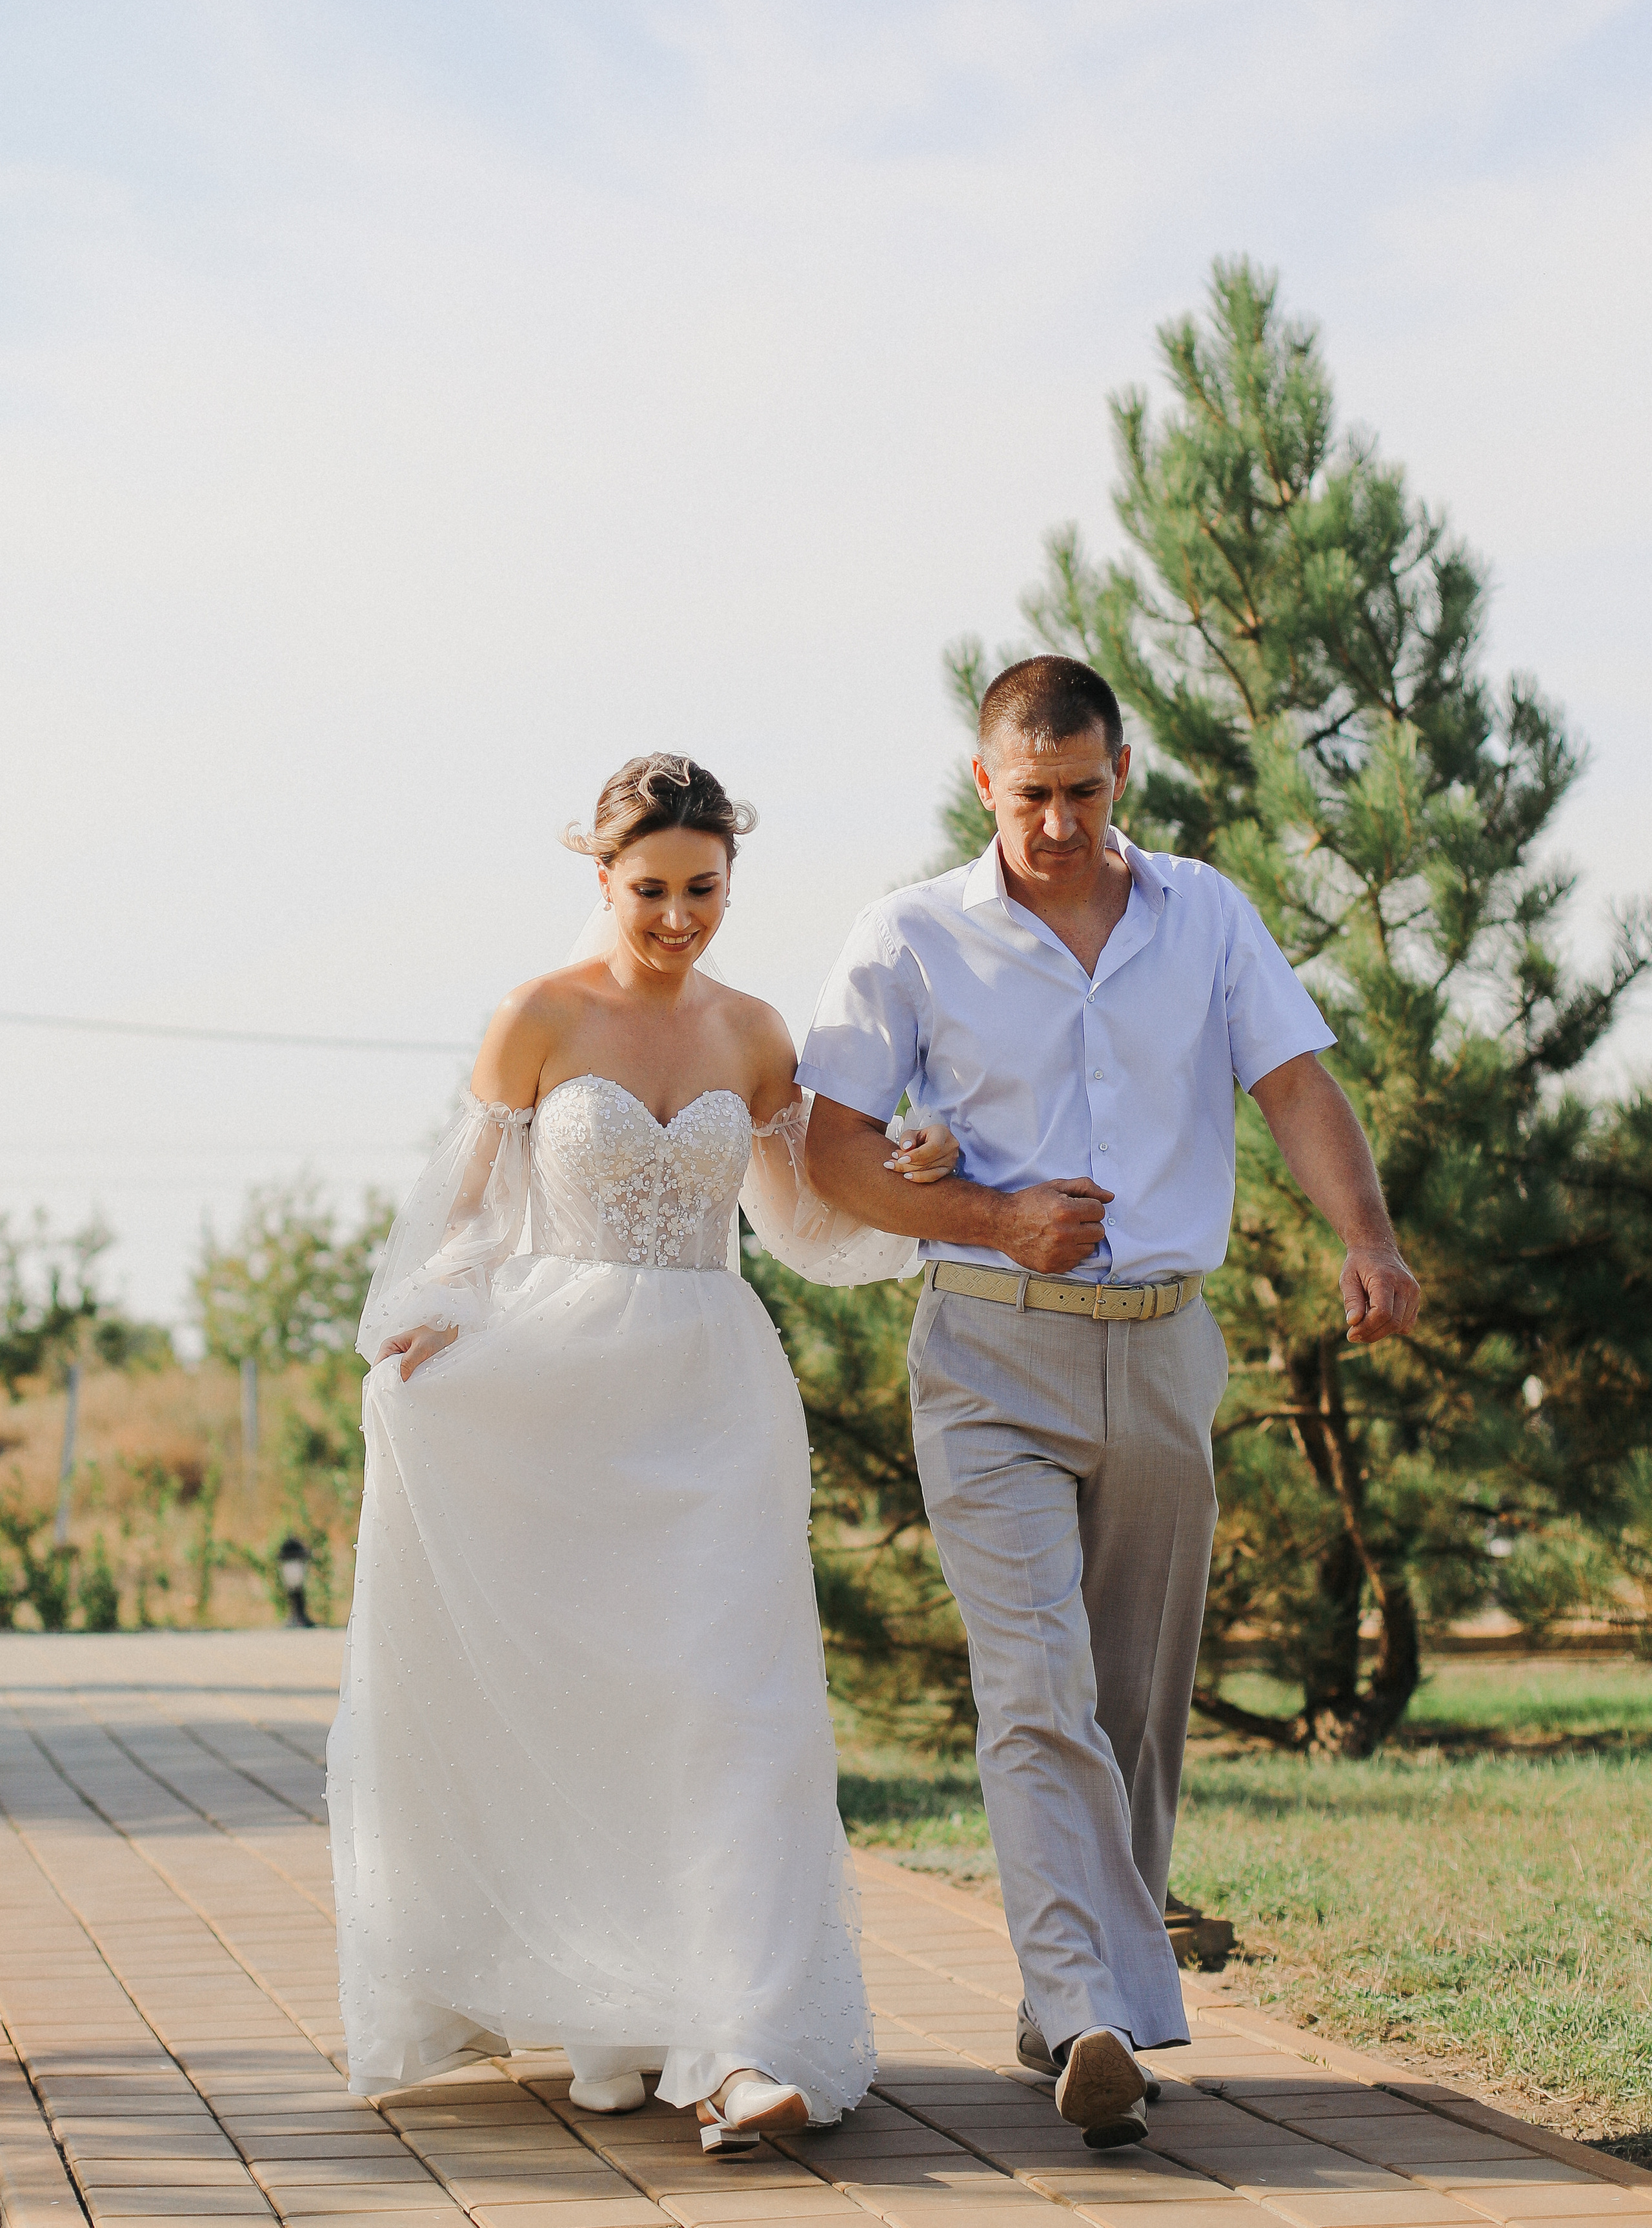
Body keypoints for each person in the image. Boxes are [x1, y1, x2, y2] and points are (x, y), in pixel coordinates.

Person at [798, 656, 1420, 2148]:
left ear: (1120, 773)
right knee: (1034, 1687)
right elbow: (828, 1152)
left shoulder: (1202, 913)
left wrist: (1368, 1235)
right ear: (981, 784)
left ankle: (1073, 2002)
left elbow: (1290, 1085)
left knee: (1135, 1704)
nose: (1059, 824)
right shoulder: (909, 936)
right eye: (1031, 797)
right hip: (989, 1350)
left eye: (1083, 793)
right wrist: (993, 1221)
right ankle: (1088, 2008)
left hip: (1159, 1349)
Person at [326, 753, 959, 2151]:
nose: (678, 916)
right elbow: (465, 1217)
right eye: (651, 890)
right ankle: (610, 2008)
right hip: (557, 1393)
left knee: (733, 1709)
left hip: (715, 1395)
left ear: (732, 879)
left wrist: (910, 1187)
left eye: (704, 889)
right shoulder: (535, 1019)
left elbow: (800, 1220)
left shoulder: (752, 1032)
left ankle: (740, 2038)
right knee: (595, 1702)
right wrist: (428, 1328)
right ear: (600, 878)